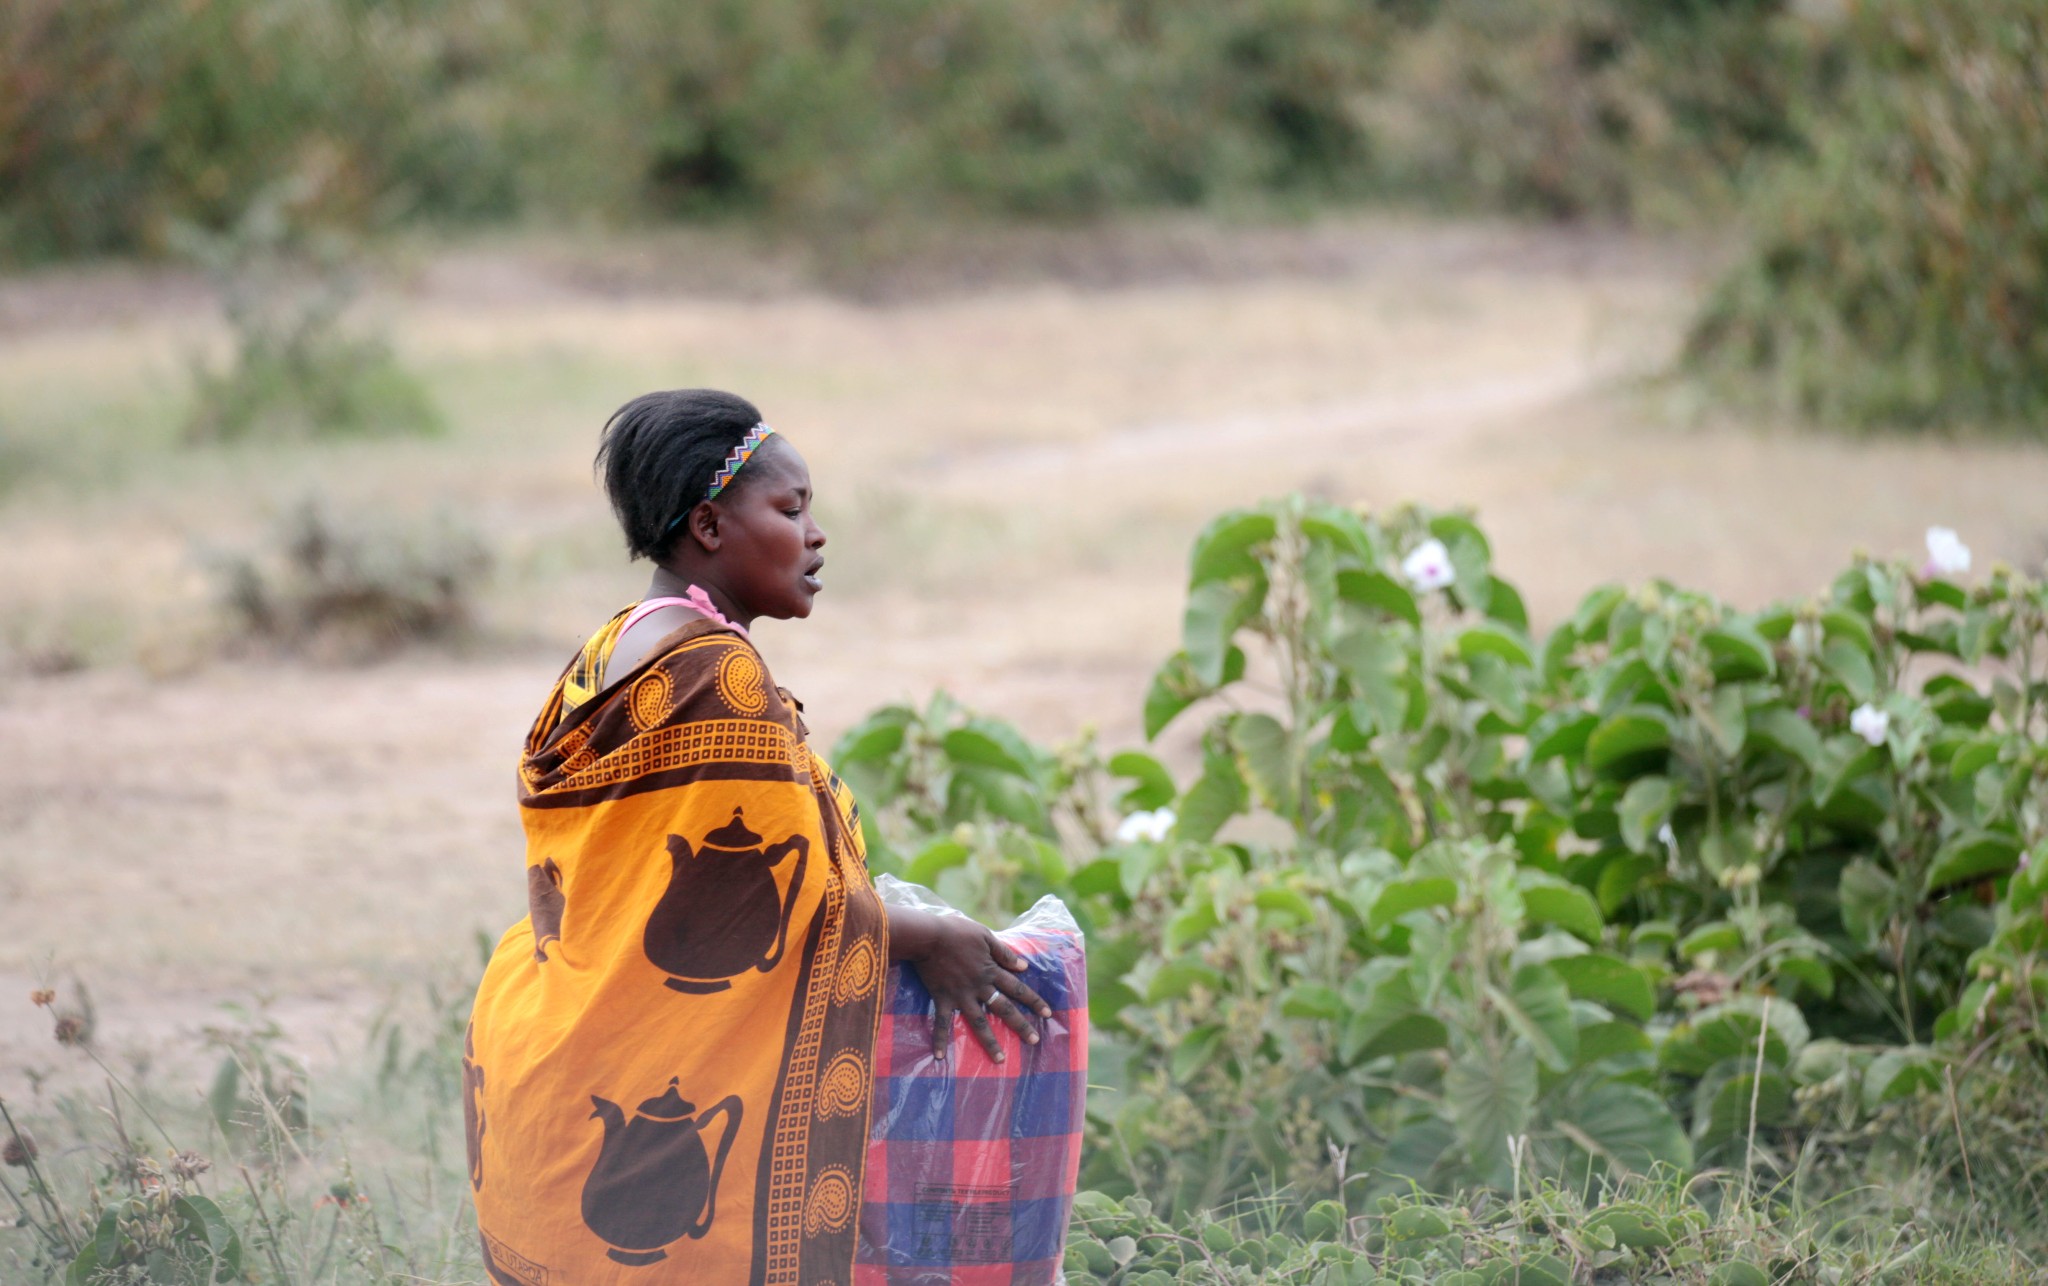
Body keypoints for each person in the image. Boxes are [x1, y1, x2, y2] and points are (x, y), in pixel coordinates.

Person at [465, 389, 1049, 1284]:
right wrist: (934, 935)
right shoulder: (715, 678)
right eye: (791, 508)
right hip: (644, 1118)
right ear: (708, 524)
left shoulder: (616, 646)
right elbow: (768, 920)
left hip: (562, 1066)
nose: (816, 535)